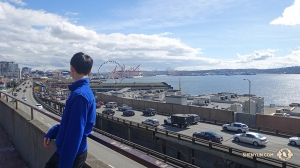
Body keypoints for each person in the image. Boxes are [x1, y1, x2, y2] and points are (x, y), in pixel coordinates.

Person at [43, 52, 96, 168]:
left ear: (72, 68)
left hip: (71, 154)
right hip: (71, 151)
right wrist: (54, 131)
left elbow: (75, 134)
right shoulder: (83, 92)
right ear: (90, 70)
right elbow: (71, 124)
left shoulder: (80, 96)